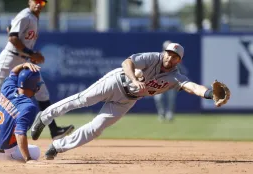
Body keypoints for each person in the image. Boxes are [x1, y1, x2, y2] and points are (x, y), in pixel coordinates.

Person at [30, 43, 230, 160]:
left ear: (179, 60)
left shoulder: (176, 77)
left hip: (128, 100)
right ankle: (44, 116)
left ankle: (58, 147)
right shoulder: (153, 58)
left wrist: (211, 95)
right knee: (82, 100)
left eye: (175, 56)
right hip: (116, 81)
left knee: (97, 128)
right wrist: (135, 79)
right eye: (169, 53)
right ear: (164, 52)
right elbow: (127, 62)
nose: (170, 57)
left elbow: (193, 87)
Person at [0, 0, 74, 140]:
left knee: (42, 92)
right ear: (30, 1)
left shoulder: (33, 17)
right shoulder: (25, 15)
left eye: (42, 2)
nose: (39, 4)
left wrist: (29, 54)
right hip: (11, 58)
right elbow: (12, 38)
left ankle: (54, 130)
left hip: (24, 59)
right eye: (36, 1)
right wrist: (30, 53)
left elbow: (9, 28)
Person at [0, 63, 43, 163]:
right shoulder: (28, 106)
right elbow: (19, 133)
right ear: (34, 87)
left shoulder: (8, 87)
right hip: (1, 155)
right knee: (36, 151)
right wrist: (28, 159)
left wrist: (23, 65)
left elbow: (13, 72)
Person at [153, 40, 188, 122]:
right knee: (159, 98)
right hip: (159, 81)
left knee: (171, 99)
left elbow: (181, 69)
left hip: (171, 81)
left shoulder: (175, 56)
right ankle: (161, 113)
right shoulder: (158, 56)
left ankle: (170, 113)